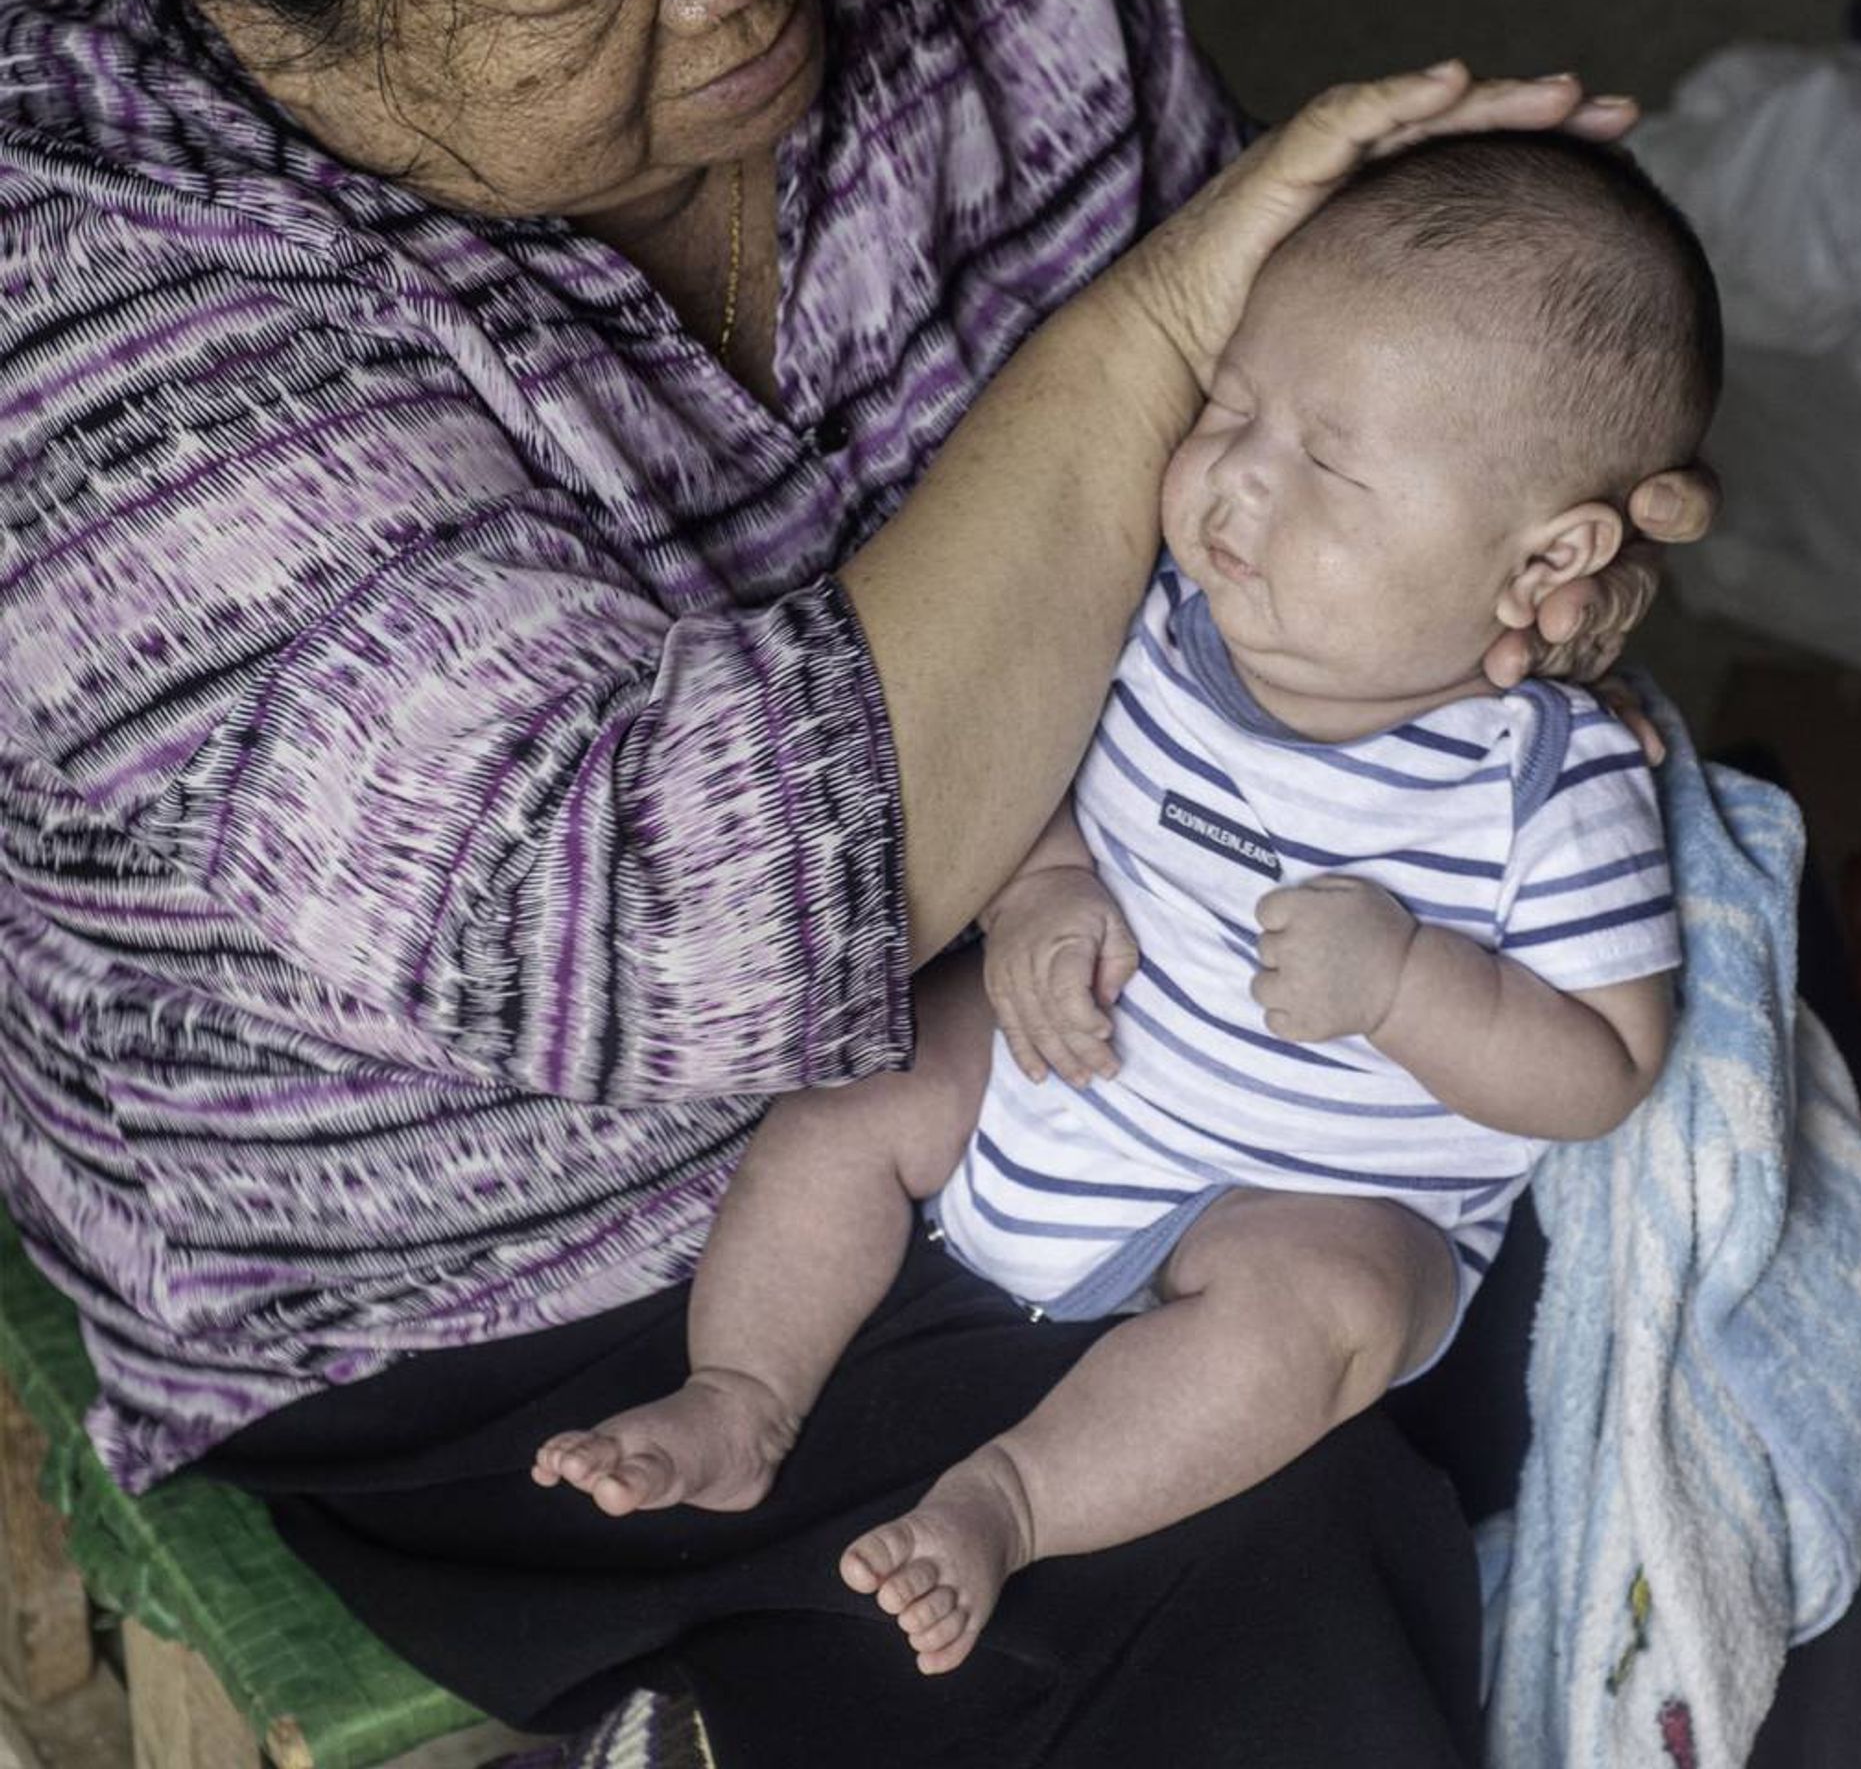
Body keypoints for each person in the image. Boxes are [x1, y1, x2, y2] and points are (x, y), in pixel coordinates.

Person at [0, 0, 1744, 1769]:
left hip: (1105, 978)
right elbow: (687, 953)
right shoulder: (94, 318)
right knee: (1250, 1578)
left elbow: (1282, 439)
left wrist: (1484, 549)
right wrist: (1148, 337)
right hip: (500, 1268)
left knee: (1637, 1263)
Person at [531, 132, 1709, 1677]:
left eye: (1328, 464)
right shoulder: (1156, 621)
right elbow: (1025, 784)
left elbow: (1604, 1071)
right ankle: (741, 1394)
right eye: (1230, 408)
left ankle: (1012, 1500)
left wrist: (1411, 982)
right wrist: (1043, 893)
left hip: (1305, 1191)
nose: (1234, 477)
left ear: (1541, 558)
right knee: (852, 1091)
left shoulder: (1543, 784)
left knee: (1335, 1306)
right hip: (1058, 1071)